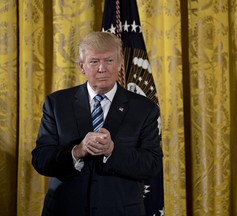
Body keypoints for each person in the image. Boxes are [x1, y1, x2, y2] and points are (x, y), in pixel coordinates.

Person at [32, 31, 163, 216]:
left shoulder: (144, 109)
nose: (102, 68)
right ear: (82, 67)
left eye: (109, 61)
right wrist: (77, 151)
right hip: (65, 210)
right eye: (94, 61)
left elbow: (152, 164)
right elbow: (40, 159)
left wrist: (112, 150)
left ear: (119, 65)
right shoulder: (56, 104)